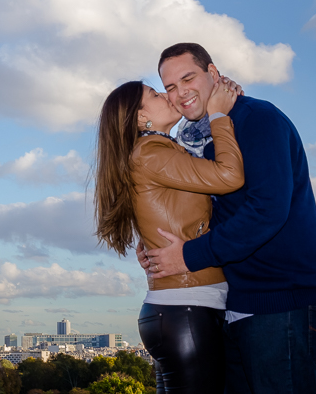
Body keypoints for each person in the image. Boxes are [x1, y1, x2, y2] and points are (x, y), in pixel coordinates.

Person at [138, 43, 316, 394]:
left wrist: (188, 255)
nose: (180, 93)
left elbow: (267, 211)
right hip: (235, 303)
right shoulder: (198, 140)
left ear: (213, 74)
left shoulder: (257, 119)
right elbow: (207, 209)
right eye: (169, 87)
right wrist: (154, 243)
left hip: (281, 301)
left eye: (188, 78)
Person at [94, 77, 243, 394]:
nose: (165, 95)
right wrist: (218, 115)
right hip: (189, 306)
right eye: (154, 93)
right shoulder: (152, 153)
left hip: (177, 308)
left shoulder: (153, 151)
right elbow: (229, 176)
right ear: (140, 117)